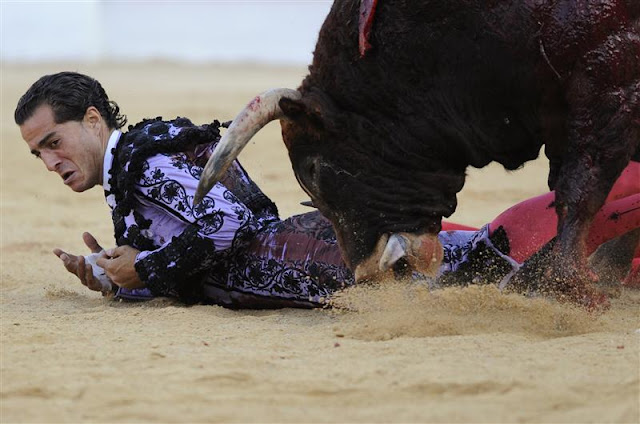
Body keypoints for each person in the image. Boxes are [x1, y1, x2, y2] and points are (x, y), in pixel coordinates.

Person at [15, 72, 640, 309]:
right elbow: (197, 243)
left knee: (481, 261)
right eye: (38, 152)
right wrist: (114, 277)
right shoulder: (141, 156)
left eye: (53, 141)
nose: (49, 161)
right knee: (469, 257)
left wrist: (145, 267)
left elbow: (228, 225)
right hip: (302, 250)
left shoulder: (142, 164)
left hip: (305, 257)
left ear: (93, 120)